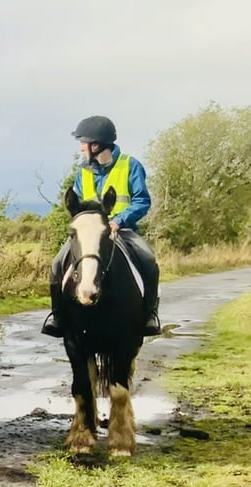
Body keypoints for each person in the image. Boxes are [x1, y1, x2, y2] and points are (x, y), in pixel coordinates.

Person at [41, 115, 161, 337]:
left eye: (82, 143)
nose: (80, 148)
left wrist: (118, 221)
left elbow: (142, 201)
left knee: (148, 259)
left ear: (96, 145)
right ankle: (57, 316)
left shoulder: (130, 165)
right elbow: (77, 204)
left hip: (122, 229)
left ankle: (150, 315)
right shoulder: (83, 171)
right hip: (89, 234)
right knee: (57, 263)